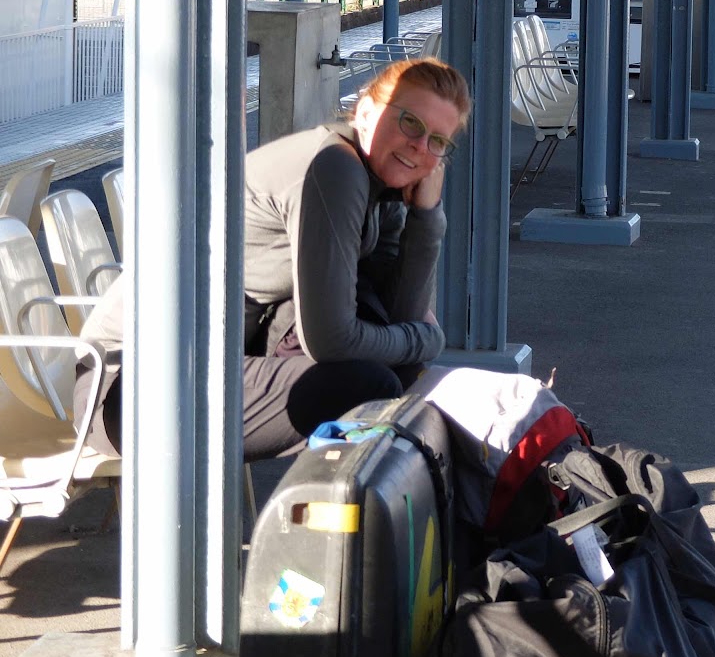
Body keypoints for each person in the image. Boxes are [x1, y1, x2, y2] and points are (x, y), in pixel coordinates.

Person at [75, 55, 471, 459]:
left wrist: (426, 215)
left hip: (209, 362)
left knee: (391, 370)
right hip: (130, 387)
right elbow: (334, 342)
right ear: (367, 111)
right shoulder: (335, 166)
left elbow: (398, 313)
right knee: (368, 384)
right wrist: (428, 339)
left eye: (438, 141)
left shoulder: (377, 186)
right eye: (410, 123)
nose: (419, 147)